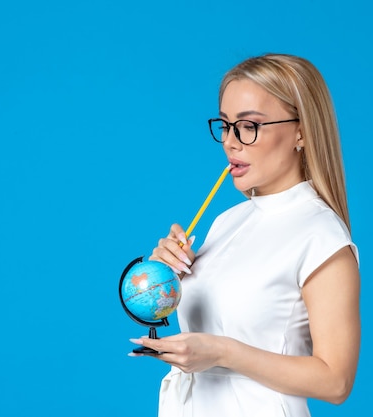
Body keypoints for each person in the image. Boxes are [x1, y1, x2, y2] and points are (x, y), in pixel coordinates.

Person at [129, 53, 360, 417]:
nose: (231, 143)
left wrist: (222, 352)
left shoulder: (321, 236)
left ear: (302, 130)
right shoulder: (227, 221)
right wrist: (164, 277)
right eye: (225, 125)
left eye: (249, 126)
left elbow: (335, 382)